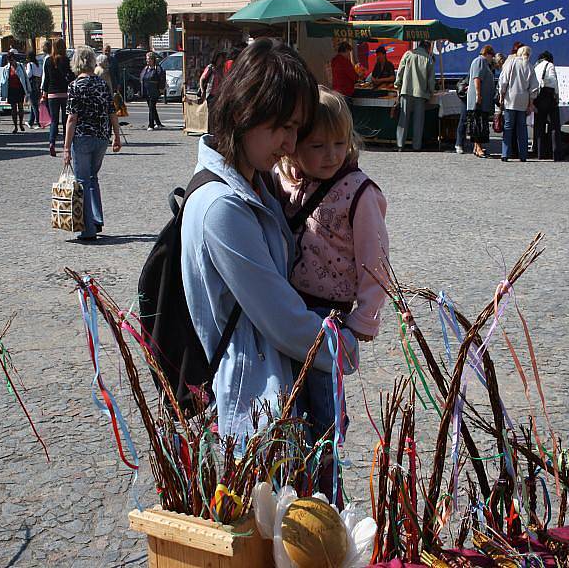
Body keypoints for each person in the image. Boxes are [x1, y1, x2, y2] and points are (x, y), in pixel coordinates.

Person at [180, 37, 359, 447]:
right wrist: (344, 346)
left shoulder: (256, 183)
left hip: (277, 396)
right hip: (250, 413)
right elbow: (283, 321)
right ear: (246, 110)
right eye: (283, 126)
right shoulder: (221, 207)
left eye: (296, 129)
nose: (290, 144)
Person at [275, 85, 388, 501]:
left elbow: (375, 266)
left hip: (331, 321)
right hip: (291, 313)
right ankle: (297, 495)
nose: (331, 154)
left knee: (325, 419)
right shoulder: (292, 183)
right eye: (318, 145)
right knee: (292, 412)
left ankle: (329, 500)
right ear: (295, 147)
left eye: (340, 143)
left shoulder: (360, 194)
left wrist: (360, 325)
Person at [62, 46, 122, 241]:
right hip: (101, 137)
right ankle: (97, 219)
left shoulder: (74, 86)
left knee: (82, 181)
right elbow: (111, 111)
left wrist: (65, 147)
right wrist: (117, 136)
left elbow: (72, 118)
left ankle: (87, 229)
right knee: (93, 178)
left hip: (82, 138)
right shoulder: (102, 84)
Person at [498, 45, 538, 162]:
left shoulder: (511, 63)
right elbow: (534, 87)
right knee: (522, 128)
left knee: (508, 127)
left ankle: (505, 154)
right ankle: (523, 155)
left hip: (510, 99)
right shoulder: (530, 67)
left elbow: (503, 81)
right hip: (523, 101)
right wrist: (531, 103)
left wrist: (501, 96)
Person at [394, 40, 435, 151]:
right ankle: (416, 146)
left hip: (406, 91)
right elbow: (431, 80)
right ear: (428, 47)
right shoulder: (428, 59)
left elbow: (400, 71)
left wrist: (397, 84)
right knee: (418, 121)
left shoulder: (408, 54)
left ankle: (400, 145)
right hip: (420, 93)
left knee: (403, 119)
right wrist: (431, 91)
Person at [43, 39, 75, 157]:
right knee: (66, 120)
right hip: (65, 93)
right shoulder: (66, 60)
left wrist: (44, 93)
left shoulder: (48, 61)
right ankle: (67, 145)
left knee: (54, 121)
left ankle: (52, 142)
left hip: (52, 93)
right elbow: (71, 76)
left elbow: (46, 79)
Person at [466, 45, 496, 158]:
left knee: (479, 122)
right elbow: (477, 78)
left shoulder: (483, 62)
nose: (492, 58)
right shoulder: (480, 61)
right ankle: (478, 148)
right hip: (478, 100)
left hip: (482, 100)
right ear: (487, 54)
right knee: (478, 123)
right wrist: (478, 95)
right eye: (492, 56)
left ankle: (476, 147)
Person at [533, 51, 562, 161]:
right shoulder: (550, 65)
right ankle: (556, 153)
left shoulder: (536, 66)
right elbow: (554, 81)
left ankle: (540, 152)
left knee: (539, 125)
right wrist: (557, 96)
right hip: (549, 96)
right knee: (554, 125)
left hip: (539, 97)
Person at [0, 51, 30, 133]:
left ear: (14, 59)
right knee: (13, 109)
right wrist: (3, 93)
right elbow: (3, 81)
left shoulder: (20, 66)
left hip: (20, 89)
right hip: (11, 90)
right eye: (9, 60)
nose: (11, 62)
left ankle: (20, 123)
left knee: (20, 107)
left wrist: (28, 89)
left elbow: (25, 78)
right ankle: (15, 126)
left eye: (12, 60)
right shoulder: (6, 68)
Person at [199, 50, 226, 132]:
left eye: (222, 59)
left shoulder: (221, 69)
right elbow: (202, 79)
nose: (221, 60)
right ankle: (210, 131)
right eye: (219, 58)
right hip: (211, 94)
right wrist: (203, 91)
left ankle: (215, 131)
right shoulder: (211, 67)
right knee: (211, 114)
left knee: (218, 113)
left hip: (219, 94)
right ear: (216, 58)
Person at [140, 52, 165, 131]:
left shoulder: (157, 68)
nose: (147, 61)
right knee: (152, 108)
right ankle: (158, 123)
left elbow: (161, 78)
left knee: (151, 107)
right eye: (146, 59)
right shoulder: (145, 68)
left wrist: (161, 88)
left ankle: (151, 125)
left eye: (148, 59)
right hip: (146, 90)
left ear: (153, 59)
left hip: (154, 90)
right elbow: (141, 77)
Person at [25, 52, 43, 129]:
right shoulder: (38, 64)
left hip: (32, 85)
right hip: (38, 85)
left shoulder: (30, 65)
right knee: (34, 104)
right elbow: (41, 73)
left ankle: (39, 122)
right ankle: (30, 122)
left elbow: (28, 74)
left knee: (34, 104)